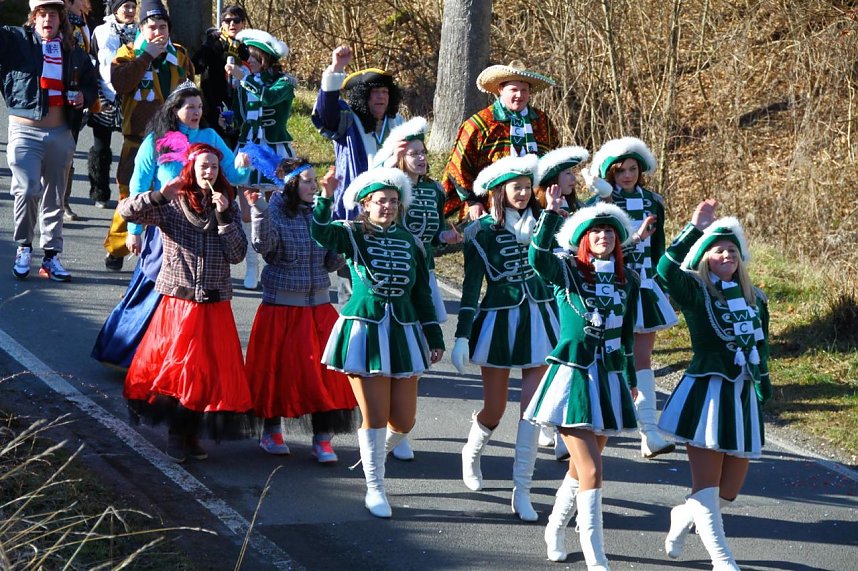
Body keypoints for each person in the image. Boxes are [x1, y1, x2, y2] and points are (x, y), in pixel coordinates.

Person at [310, 167, 445, 518]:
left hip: (403, 331)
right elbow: (320, 233)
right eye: (381, 201)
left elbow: (422, 295)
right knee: (375, 416)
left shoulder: (412, 242)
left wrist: (434, 336)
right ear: (366, 204)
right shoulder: (352, 233)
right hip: (365, 330)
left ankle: (373, 457)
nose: (388, 207)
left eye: (394, 201)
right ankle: (375, 487)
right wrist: (325, 198)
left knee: (405, 421)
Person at [92, 81, 250, 368]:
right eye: (190, 107)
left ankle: (180, 359)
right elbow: (138, 187)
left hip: (203, 226)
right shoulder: (157, 140)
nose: (196, 112)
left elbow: (233, 176)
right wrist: (134, 232)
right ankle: (129, 353)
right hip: (166, 225)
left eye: (199, 107)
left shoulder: (210, 137)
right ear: (174, 110)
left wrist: (243, 165)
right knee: (154, 285)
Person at [119, 142, 253, 463]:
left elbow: (237, 254)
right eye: (203, 166)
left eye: (214, 167)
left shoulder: (227, 202)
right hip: (180, 303)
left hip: (215, 302)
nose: (210, 172)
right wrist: (159, 195)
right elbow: (127, 211)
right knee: (179, 369)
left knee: (207, 372)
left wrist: (224, 216)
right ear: (191, 168)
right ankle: (177, 434)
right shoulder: (174, 203)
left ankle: (190, 431)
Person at [524, 199, 640, 567]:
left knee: (580, 469)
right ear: (583, 238)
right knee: (591, 469)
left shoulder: (628, 279)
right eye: (596, 231)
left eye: (610, 232)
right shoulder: (567, 270)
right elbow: (537, 257)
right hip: (572, 378)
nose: (604, 236)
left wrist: (630, 379)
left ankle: (555, 526)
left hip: (608, 381)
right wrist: (548, 216)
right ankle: (594, 550)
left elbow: (626, 337)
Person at [657, 199, 770, 571]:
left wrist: (764, 384)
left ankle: (683, 515)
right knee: (706, 488)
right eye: (718, 249)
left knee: (728, 492)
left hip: (742, 397)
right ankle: (722, 559)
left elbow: (762, 348)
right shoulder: (696, 291)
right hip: (706, 394)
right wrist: (694, 228)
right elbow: (664, 269)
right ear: (705, 257)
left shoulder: (756, 299)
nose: (726, 255)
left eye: (732, 250)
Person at [451, 154, 559, 522]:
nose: (524, 193)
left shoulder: (546, 223)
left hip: (540, 322)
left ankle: (522, 490)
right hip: (498, 324)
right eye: (517, 188)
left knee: (532, 411)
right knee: (495, 409)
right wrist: (462, 336)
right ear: (499, 191)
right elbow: (470, 289)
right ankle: (471, 452)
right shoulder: (480, 233)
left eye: (528, 187)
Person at [243, 158, 357, 461]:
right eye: (307, 180)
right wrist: (259, 211)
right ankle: (271, 432)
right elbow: (263, 246)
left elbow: (330, 262)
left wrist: (346, 242)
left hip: (319, 306)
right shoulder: (273, 211)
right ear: (291, 183)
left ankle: (323, 439)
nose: (313, 185)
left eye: (315, 180)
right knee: (277, 374)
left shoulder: (321, 211)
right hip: (282, 307)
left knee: (325, 376)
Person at [372, 116, 463, 461]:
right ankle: (388, 421)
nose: (421, 158)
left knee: (420, 347)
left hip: (424, 275)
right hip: (394, 274)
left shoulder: (435, 190)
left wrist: (446, 237)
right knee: (392, 345)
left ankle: (401, 426)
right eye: (413, 153)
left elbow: (434, 233)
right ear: (399, 156)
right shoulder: (390, 188)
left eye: (423, 152)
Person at [585, 136, 678, 459]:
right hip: (608, 287)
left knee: (641, 361)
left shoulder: (653, 201)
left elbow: (659, 247)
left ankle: (649, 432)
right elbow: (591, 247)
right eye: (620, 170)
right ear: (609, 172)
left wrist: (663, 284)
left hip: (645, 287)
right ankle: (574, 427)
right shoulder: (600, 203)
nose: (627, 175)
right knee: (601, 356)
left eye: (632, 169)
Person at [1, 0, 98, 282]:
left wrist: (83, 97)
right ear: (33, 18)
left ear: (61, 19)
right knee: (27, 189)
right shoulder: (16, 41)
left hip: (61, 132)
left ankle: (51, 256)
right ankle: (23, 247)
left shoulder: (73, 51)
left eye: (53, 15)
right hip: (24, 132)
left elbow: (91, 85)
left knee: (54, 196)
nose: (47, 20)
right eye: (42, 14)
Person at [104, 0, 194, 272]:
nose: (158, 32)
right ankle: (118, 246)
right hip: (138, 139)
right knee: (131, 193)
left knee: (170, 194)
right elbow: (120, 83)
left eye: (162, 27)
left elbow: (191, 89)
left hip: (173, 139)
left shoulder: (179, 54)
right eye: (152, 27)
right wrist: (146, 57)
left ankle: (165, 252)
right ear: (141, 29)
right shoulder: (128, 53)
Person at [311, 45, 405, 304]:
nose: (381, 97)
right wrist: (336, 69)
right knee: (353, 282)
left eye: (385, 92)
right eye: (375, 92)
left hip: (391, 213)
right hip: (354, 213)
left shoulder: (398, 124)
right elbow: (326, 112)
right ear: (363, 96)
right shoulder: (347, 121)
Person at [531, 145, 590, 460]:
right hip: (544, 292)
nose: (573, 178)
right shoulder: (537, 210)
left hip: (574, 294)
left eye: (573, 172)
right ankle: (549, 419)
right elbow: (538, 255)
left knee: (565, 358)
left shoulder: (579, 208)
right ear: (552, 179)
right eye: (568, 173)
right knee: (550, 358)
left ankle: (561, 425)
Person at [443, 61, 559, 221]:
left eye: (524, 90)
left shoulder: (542, 121)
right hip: (488, 205)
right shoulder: (480, 124)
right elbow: (458, 166)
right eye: (514, 90)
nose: (519, 95)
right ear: (500, 90)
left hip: (535, 204)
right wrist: (473, 202)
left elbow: (553, 159)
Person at [225, 28, 295, 290]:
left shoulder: (284, 82)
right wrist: (229, 118)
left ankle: (271, 263)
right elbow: (241, 115)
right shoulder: (244, 83)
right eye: (248, 57)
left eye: (254, 57)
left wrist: (244, 79)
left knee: (273, 209)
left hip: (274, 150)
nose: (249, 61)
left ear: (266, 59)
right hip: (248, 148)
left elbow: (270, 97)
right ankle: (252, 264)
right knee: (246, 210)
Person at [87, 0, 138, 209]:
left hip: (133, 97)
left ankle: (131, 192)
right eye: (126, 6)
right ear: (115, 9)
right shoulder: (101, 31)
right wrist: (96, 96)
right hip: (105, 94)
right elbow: (92, 62)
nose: (130, 11)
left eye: (133, 6)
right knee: (101, 147)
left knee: (133, 147)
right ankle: (99, 191)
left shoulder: (142, 32)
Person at [191, 4, 248, 147]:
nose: (232, 24)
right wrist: (207, 45)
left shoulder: (246, 47)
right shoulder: (214, 43)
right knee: (216, 145)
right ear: (222, 23)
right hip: (214, 103)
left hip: (239, 102)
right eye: (228, 21)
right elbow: (195, 67)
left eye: (236, 20)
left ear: (243, 23)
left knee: (237, 144)